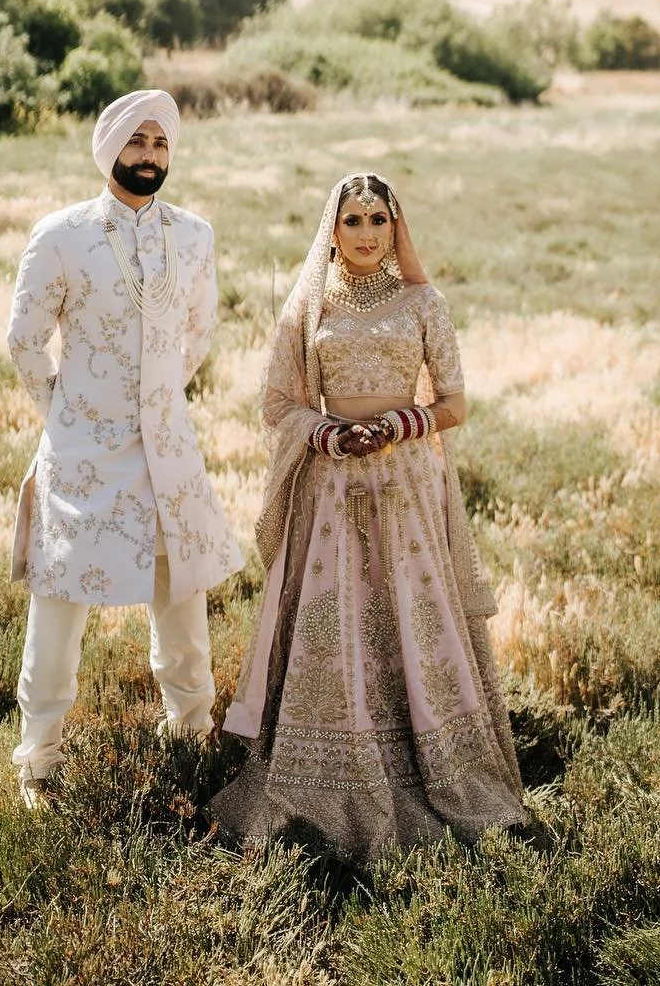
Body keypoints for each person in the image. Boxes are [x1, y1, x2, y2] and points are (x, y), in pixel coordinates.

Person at [210, 172, 524, 857]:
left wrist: (399, 424)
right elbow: (277, 406)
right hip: (332, 491)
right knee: (337, 617)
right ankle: (324, 776)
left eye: (376, 219)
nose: (364, 233)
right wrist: (325, 434)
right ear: (333, 229)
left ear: (395, 225)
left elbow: (456, 404)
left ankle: (435, 769)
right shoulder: (307, 311)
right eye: (351, 221)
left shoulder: (423, 302)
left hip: (406, 486)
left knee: (410, 614)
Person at [5, 88, 243, 804]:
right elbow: (24, 341)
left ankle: (191, 736)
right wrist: (65, 415)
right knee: (58, 608)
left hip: (168, 450)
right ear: (109, 150)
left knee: (183, 600)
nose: (149, 155)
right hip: (81, 451)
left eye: (161, 143)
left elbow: (198, 333)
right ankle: (38, 762)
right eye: (137, 142)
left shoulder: (194, 235)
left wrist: (160, 402)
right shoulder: (62, 234)